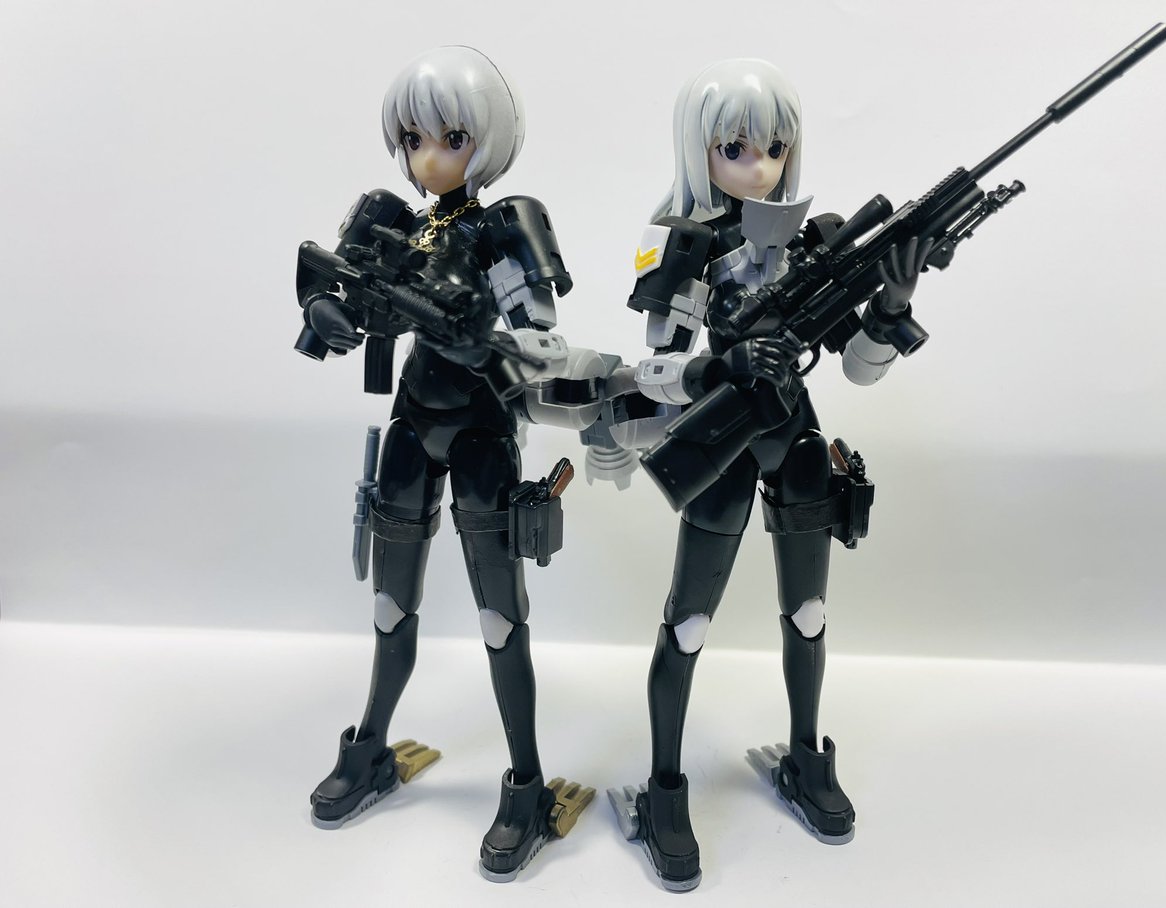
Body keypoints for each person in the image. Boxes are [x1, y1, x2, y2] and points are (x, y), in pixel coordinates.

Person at [611, 57, 930, 891]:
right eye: (736, 148)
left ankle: (806, 758)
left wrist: (892, 306)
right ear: (700, 150)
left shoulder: (813, 246)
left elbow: (860, 367)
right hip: (720, 447)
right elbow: (653, 370)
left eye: (775, 148)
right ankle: (665, 790)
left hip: (794, 440)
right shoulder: (683, 244)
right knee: (688, 625)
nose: (759, 166)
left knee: (810, 614)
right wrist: (723, 362)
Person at [294, 45, 580, 883]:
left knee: (500, 622)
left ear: (484, 141)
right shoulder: (391, 218)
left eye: (451, 138)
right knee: (392, 608)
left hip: (484, 431)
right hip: (413, 426)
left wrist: (479, 337)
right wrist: (326, 313)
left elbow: (544, 341)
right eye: (415, 138)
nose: (429, 158)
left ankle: (526, 786)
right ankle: (370, 749)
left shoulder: (504, 225)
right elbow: (328, 289)